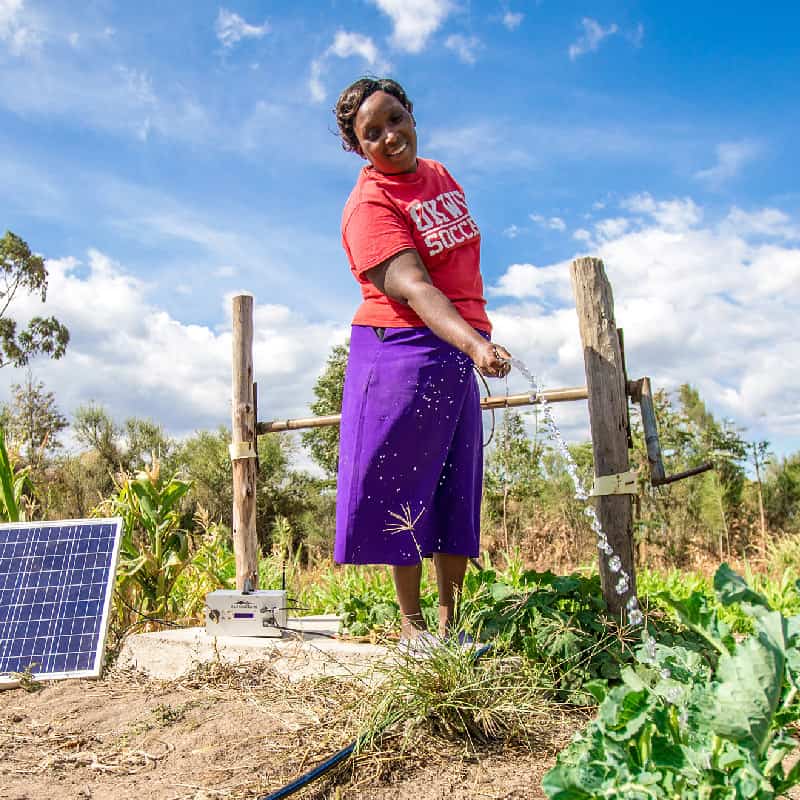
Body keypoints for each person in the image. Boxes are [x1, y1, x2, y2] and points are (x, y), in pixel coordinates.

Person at [332, 77, 511, 656]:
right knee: (404, 484)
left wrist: (471, 341)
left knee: (457, 483)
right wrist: (475, 346)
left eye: (394, 119)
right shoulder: (368, 206)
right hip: (401, 350)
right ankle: (412, 629)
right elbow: (411, 285)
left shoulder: (439, 174)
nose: (389, 136)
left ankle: (450, 627)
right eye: (372, 133)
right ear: (358, 149)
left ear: (411, 113)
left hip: (456, 346)